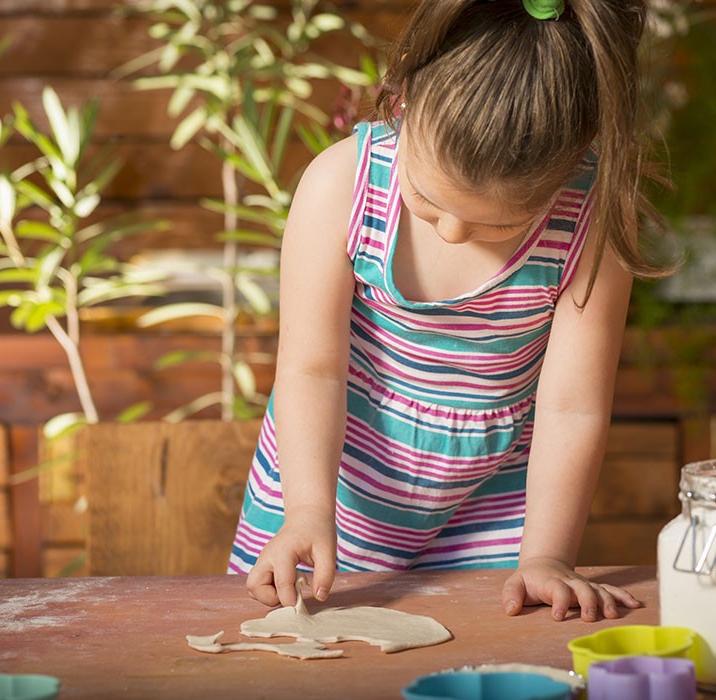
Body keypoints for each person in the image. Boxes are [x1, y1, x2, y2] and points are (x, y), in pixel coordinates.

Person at [228, 0, 669, 623]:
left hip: (489, 509)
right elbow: (311, 371)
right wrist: (304, 511)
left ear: (570, 164)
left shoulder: (590, 227)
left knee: (481, 649)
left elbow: (573, 407)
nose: (455, 232)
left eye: (500, 222)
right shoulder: (340, 186)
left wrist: (546, 555)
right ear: (403, 98)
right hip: (327, 489)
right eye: (428, 200)